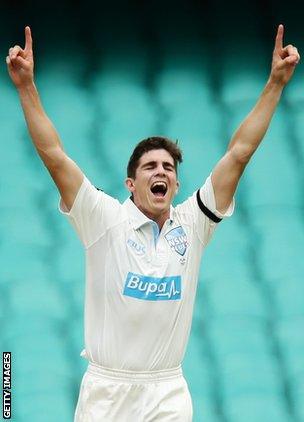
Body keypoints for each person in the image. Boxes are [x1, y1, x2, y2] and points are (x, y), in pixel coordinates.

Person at [6, 24, 299, 421]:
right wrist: (25, 87)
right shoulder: (103, 217)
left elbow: (239, 153)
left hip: (166, 391)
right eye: (149, 166)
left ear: (176, 183)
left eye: (167, 167)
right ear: (131, 183)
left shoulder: (193, 222)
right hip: (106, 393)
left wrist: (275, 84)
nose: (159, 171)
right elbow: (54, 154)